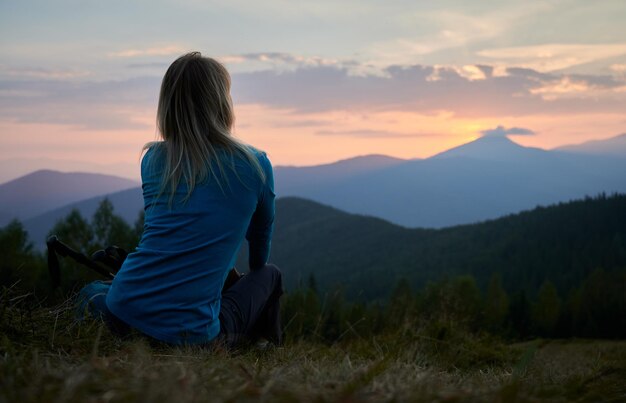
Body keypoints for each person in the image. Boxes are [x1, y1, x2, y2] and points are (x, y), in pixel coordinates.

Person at [76, 52, 283, 347]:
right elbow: (258, 258)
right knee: (270, 274)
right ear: (222, 103)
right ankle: (264, 347)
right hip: (192, 335)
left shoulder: (153, 159)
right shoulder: (255, 165)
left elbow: (170, 235)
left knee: (94, 290)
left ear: (168, 103)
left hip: (122, 313)